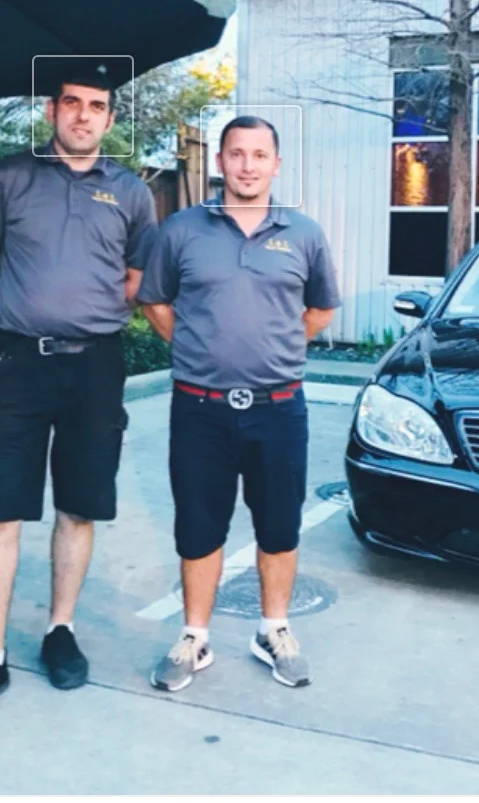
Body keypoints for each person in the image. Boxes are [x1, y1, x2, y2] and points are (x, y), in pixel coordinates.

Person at [0, 66, 158, 721]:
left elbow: (137, 280)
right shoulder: (8, 177)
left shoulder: (131, 192)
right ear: (51, 110)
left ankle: (60, 631)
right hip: (21, 367)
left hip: (96, 369)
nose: (84, 115)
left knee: (79, 508)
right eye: (72, 103)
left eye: (97, 106)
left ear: (110, 119)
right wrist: (24, 314)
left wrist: (82, 316)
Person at [137, 115, 340, 692]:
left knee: (279, 525)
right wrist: (197, 349)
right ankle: (194, 637)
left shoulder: (303, 234)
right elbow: (155, 301)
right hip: (200, 408)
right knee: (199, 525)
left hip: (279, 408)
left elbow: (322, 308)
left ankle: (273, 630)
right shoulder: (181, 230)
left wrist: (277, 349)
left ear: (276, 164)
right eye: (236, 153)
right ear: (220, 161)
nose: (247, 165)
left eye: (259, 155)